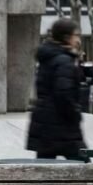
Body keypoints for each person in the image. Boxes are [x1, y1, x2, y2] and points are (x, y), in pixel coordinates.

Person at [26, 18, 85, 159]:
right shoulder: (64, 61)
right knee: (83, 165)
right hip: (62, 125)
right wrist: (75, 114)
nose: (78, 40)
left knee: (45, 167)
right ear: (66, 37)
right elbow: (64, 94)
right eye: (76, 35)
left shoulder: (49, 58)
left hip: (45, 124)